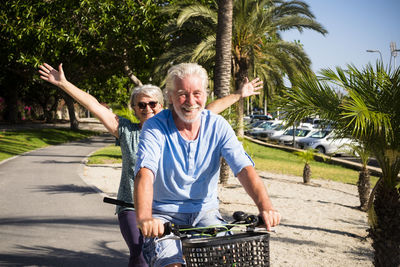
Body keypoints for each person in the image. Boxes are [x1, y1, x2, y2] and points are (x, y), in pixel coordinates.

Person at [38, 62, 263, 267]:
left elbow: (207, 107)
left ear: (164, 104)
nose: (147, 109)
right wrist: (64, 84)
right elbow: (95, 106)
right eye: (141, 105)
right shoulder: (127, 131)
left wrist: (239, 94)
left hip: (173, 207)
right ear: (134, 109)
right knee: (141, 255)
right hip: (132, 205)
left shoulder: (175, 122)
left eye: (152, 104)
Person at [134, 62, 281, 267]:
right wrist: (145, 218)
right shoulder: (155, 127)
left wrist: (266, 208)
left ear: (206, 94)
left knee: (226, 261)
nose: (190, 101)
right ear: (169, 96)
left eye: (197, 93)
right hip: (164, 216)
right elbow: (145, 173)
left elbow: (244, 169)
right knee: (170, 264)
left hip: (206, 214)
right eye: (182, 93)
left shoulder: (217, 125)